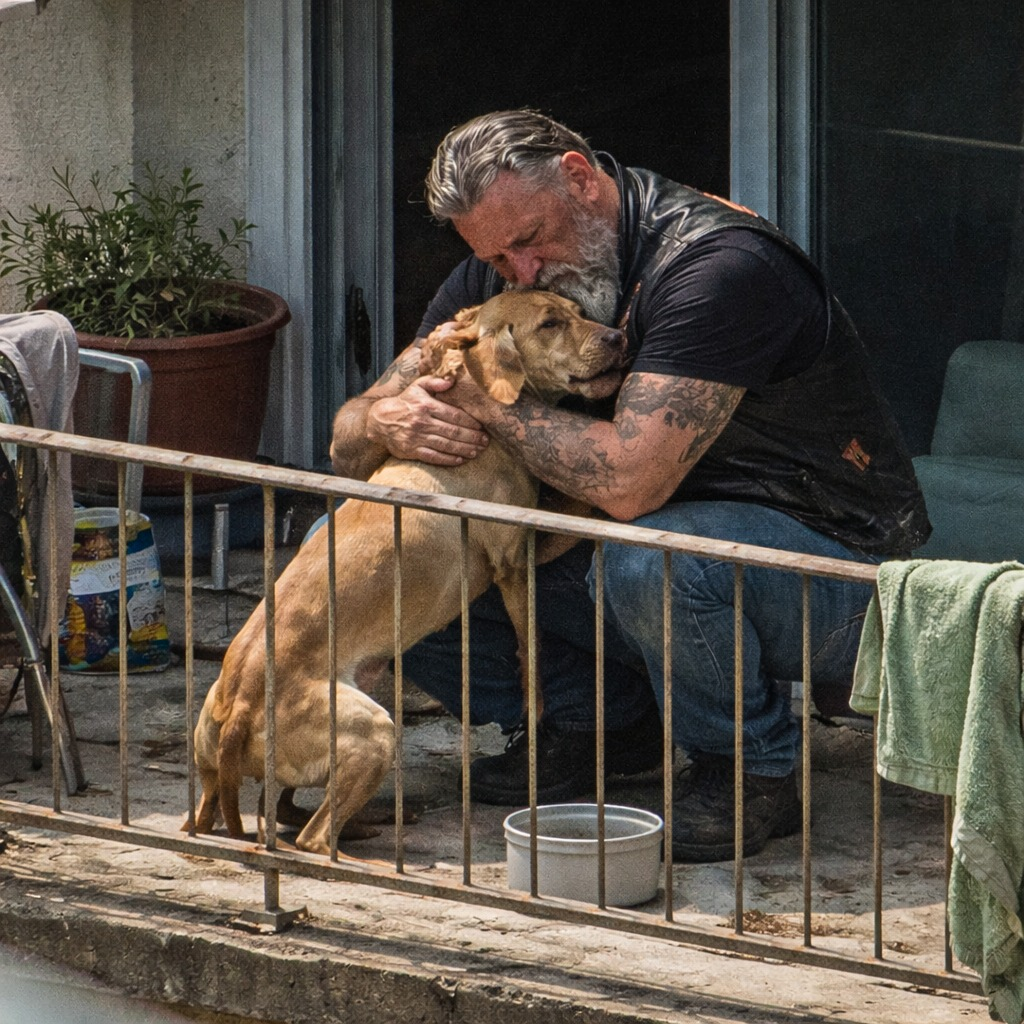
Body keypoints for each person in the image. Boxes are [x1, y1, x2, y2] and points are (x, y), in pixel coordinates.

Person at [329, 109, 930, 863]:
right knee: (364, 542)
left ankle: (751, 769)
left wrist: (482, 401)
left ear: (581, 179)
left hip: (830, 560)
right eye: (496, 257)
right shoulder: (497, 278)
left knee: (651, 559)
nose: (519, 272)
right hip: (644, 546)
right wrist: (387, 419)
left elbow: (626, 483)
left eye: (528, 240)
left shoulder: (719, 267)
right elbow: (344, 447)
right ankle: (598, 727)